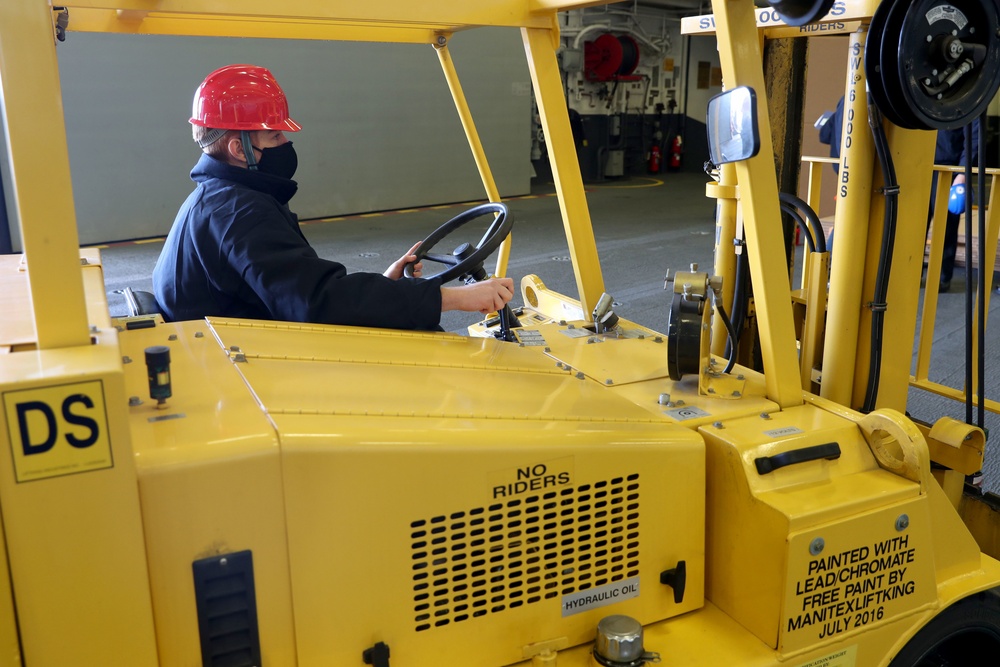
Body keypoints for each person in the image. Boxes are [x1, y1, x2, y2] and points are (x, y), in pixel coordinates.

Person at [153, 64, 513, 329]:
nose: (286, 145)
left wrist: (386, 285)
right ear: (239, 148)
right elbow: (317, 303)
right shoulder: (239, 212)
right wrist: (455, 298)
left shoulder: (221, 198)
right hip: (246, 359)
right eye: (275, 137)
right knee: (421, 334)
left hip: (244, 334)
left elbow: (302, 287)